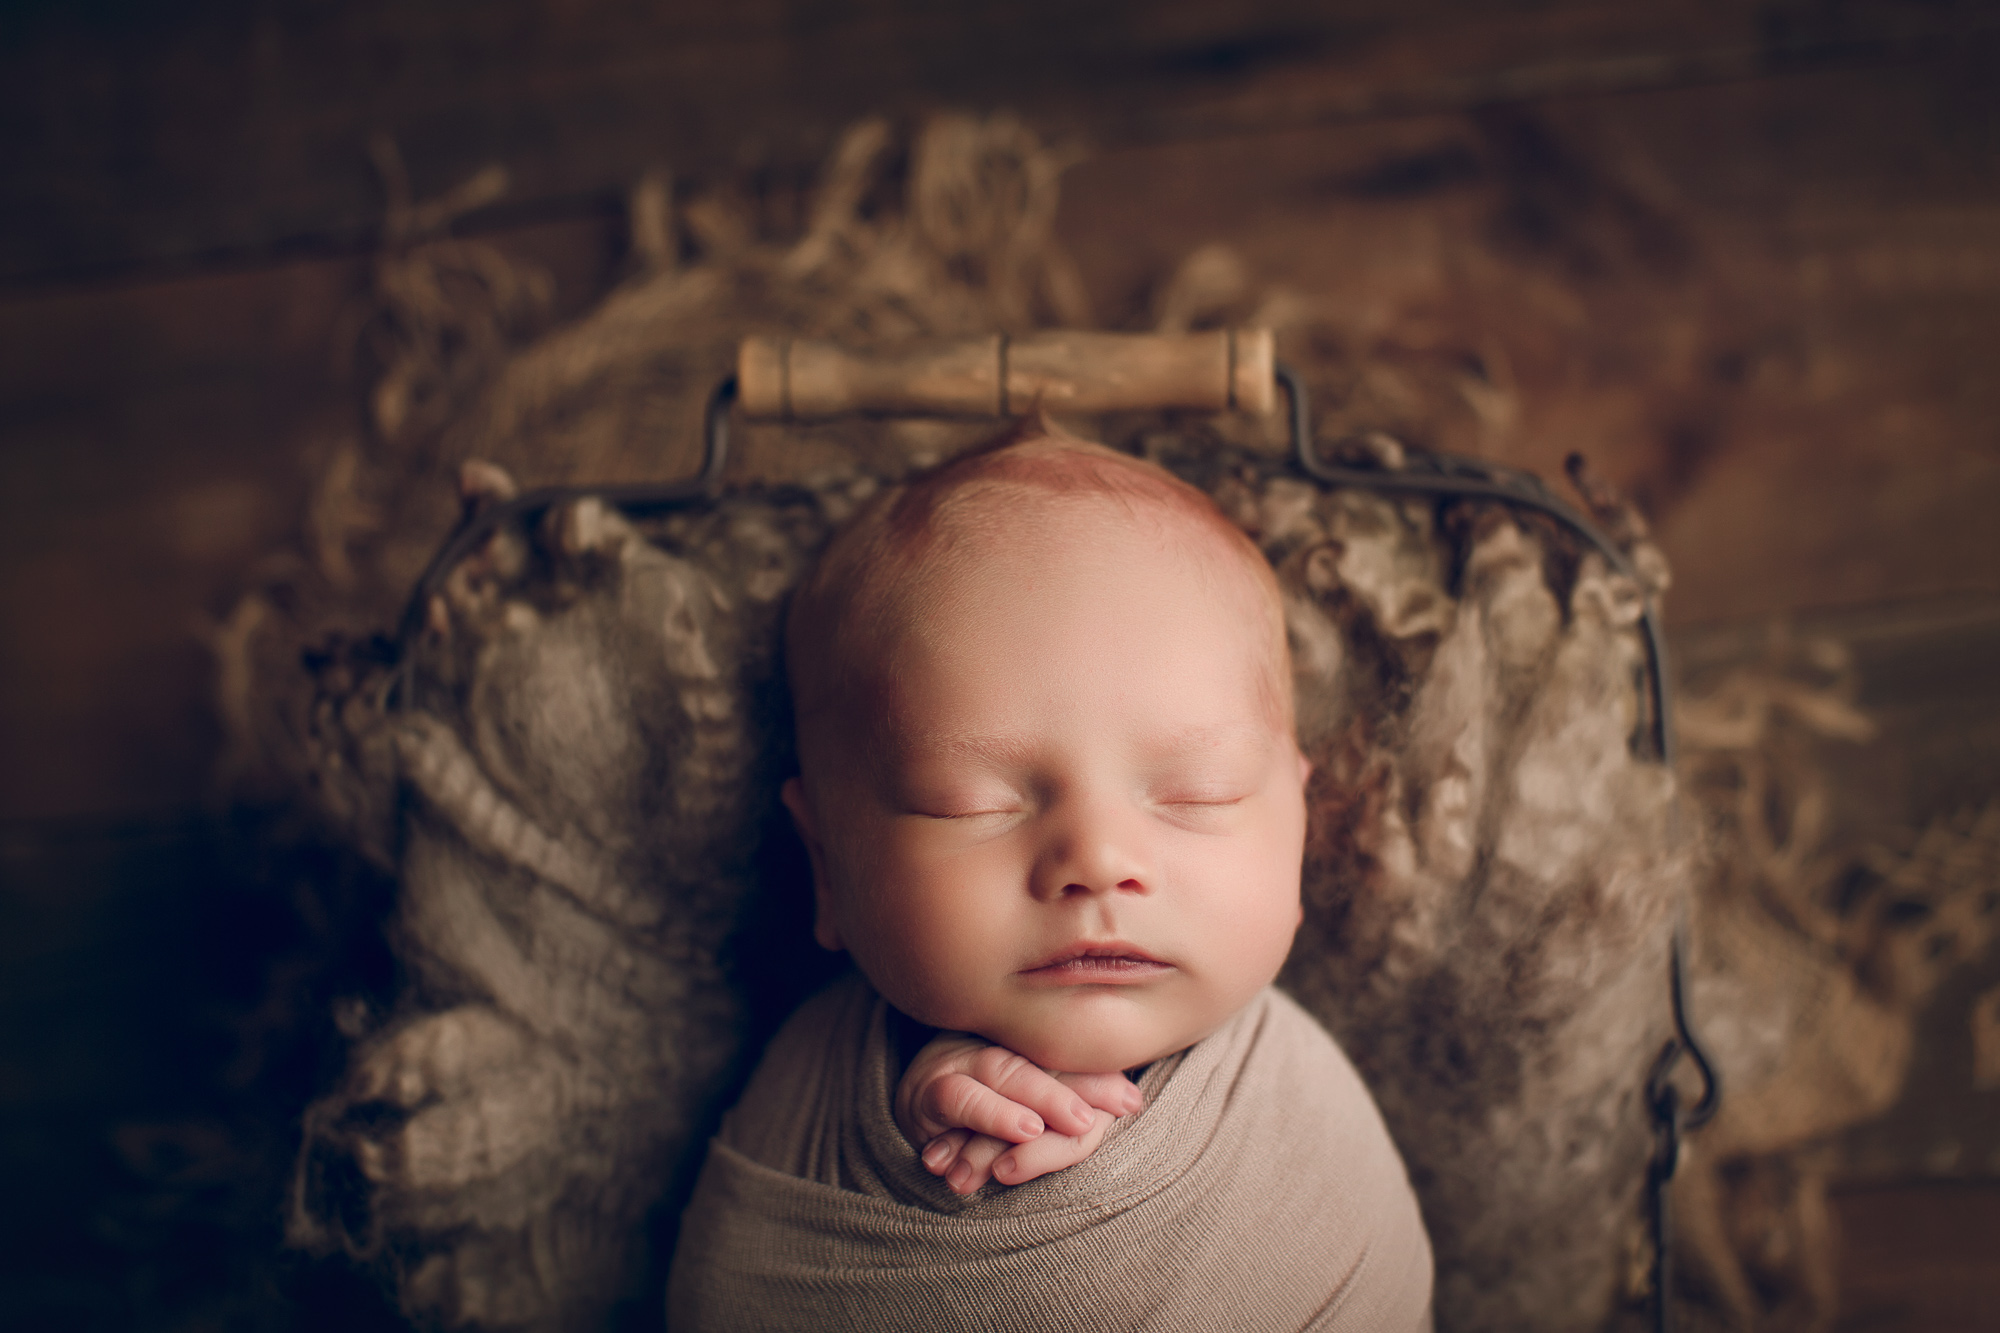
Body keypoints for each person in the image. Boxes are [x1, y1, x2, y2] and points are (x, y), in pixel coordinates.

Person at [667, 424, 1434, 1331]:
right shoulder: (812, 1086)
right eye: (969, 803)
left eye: (1199, 793)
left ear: (1297, 829)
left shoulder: (1309, 1134)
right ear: (827, 864)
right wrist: (912, 1117)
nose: (1099, 859)